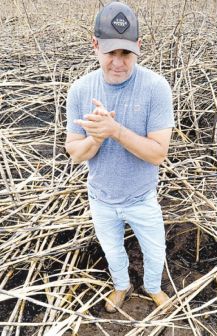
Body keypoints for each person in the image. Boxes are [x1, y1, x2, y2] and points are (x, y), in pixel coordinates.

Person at [65, 1, 175, 313]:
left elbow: (158, 153)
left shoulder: (156, 88)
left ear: (138, 47)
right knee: (112, 251)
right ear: (95, 46)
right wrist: (96, 138)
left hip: (141, 197)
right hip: (100, 197)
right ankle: (121, 286)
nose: (117, 62)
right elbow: (74, 153)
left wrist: (114, 130)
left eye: (126, 53)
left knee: (155, 251)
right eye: (110, 52)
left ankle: (153, 287)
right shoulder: (79, 90)